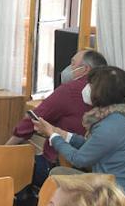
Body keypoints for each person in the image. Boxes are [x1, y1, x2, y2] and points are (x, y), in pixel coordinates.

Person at [33, 65, 125, 196]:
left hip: (116, 193)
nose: (86, 88)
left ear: (103, 91)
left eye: (91, 84)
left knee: (57, 173)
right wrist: (63, 135)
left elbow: (79, 159)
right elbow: (95, 146)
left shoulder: (110, 125)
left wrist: (53, 136)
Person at [7, 48, 107, 186]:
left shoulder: (70, 90)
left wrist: (4, 149)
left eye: (72, 63)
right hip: (96, 173)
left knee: (15, 170)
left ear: (85, 69)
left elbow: (33, 120)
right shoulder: (111, 95)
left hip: (60, 167)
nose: (68, 68)